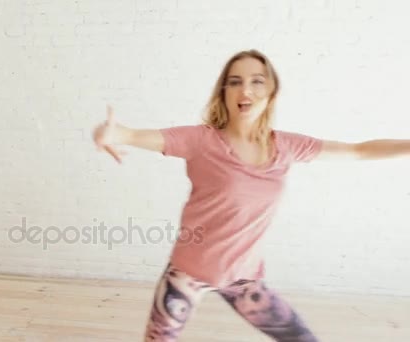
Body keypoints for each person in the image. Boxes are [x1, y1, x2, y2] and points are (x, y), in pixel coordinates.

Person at [91, 49, 410, 342]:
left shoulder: (286, 146)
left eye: (257, 81)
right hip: (187, 273)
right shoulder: (201, 140)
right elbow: (131, 134)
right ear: (224, 92)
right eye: (235, 82)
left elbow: (359, 150)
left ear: (271, 91)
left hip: (244, 279)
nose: (246, 90)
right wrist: (111, 133)